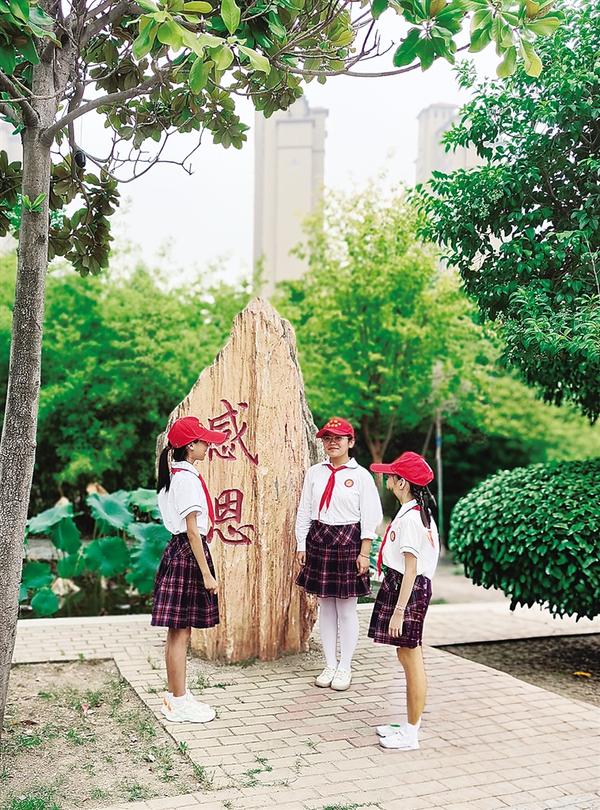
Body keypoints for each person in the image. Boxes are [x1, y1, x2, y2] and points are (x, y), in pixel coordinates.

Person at [296, 417, 383, 691]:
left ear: (351, 442)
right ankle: (330, 664)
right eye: (327, 438)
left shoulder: (361, 476)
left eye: (339, 438)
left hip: (348, 541)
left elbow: (371, 516)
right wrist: (301, 544)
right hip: (319, 539)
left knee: (346, 608)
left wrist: (364, 552)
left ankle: (345, 666)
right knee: (325, 606)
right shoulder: (314, 473)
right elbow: (304, 510)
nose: (332, 442)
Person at [151, 415, 227, 723]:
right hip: (188, 552)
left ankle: (176, 696)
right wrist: (207, 574)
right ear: (190, 445)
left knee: (177, 631)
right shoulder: (186, 479)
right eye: (203, 441)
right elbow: (193, 531)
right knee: (180, 632)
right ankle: (178, 702)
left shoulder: (174, 476)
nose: (207, 445)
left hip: (178, 550)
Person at [367, 451, 439, 751]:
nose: (387, 480)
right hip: (405, 586)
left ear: (402, 483)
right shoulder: (415, 513)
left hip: (407, 589)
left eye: (391, 476)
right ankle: (410, 724)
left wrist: (399, 611)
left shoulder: (412, 519)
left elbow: (411, 569)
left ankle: (411, 733)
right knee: (407, 656)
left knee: (412, 659)